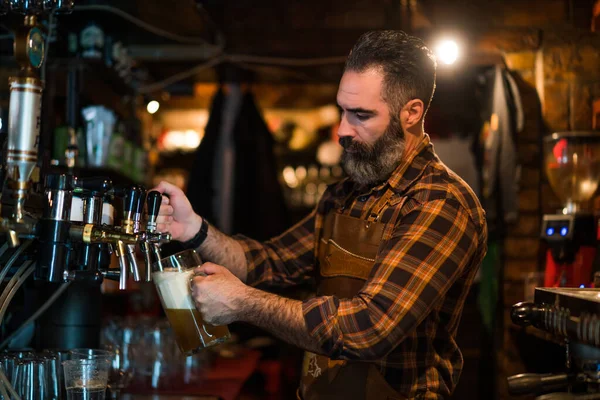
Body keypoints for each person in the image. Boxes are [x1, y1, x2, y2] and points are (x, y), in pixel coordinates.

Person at [154, 30, 487, 400]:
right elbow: (269, 262)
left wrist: (243, 303)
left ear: (411, 113)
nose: (343, 130)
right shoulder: (344, 195)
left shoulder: (440, 202)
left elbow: (370, 330)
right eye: (343, 111)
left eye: (361, 115)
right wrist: (196, 230)